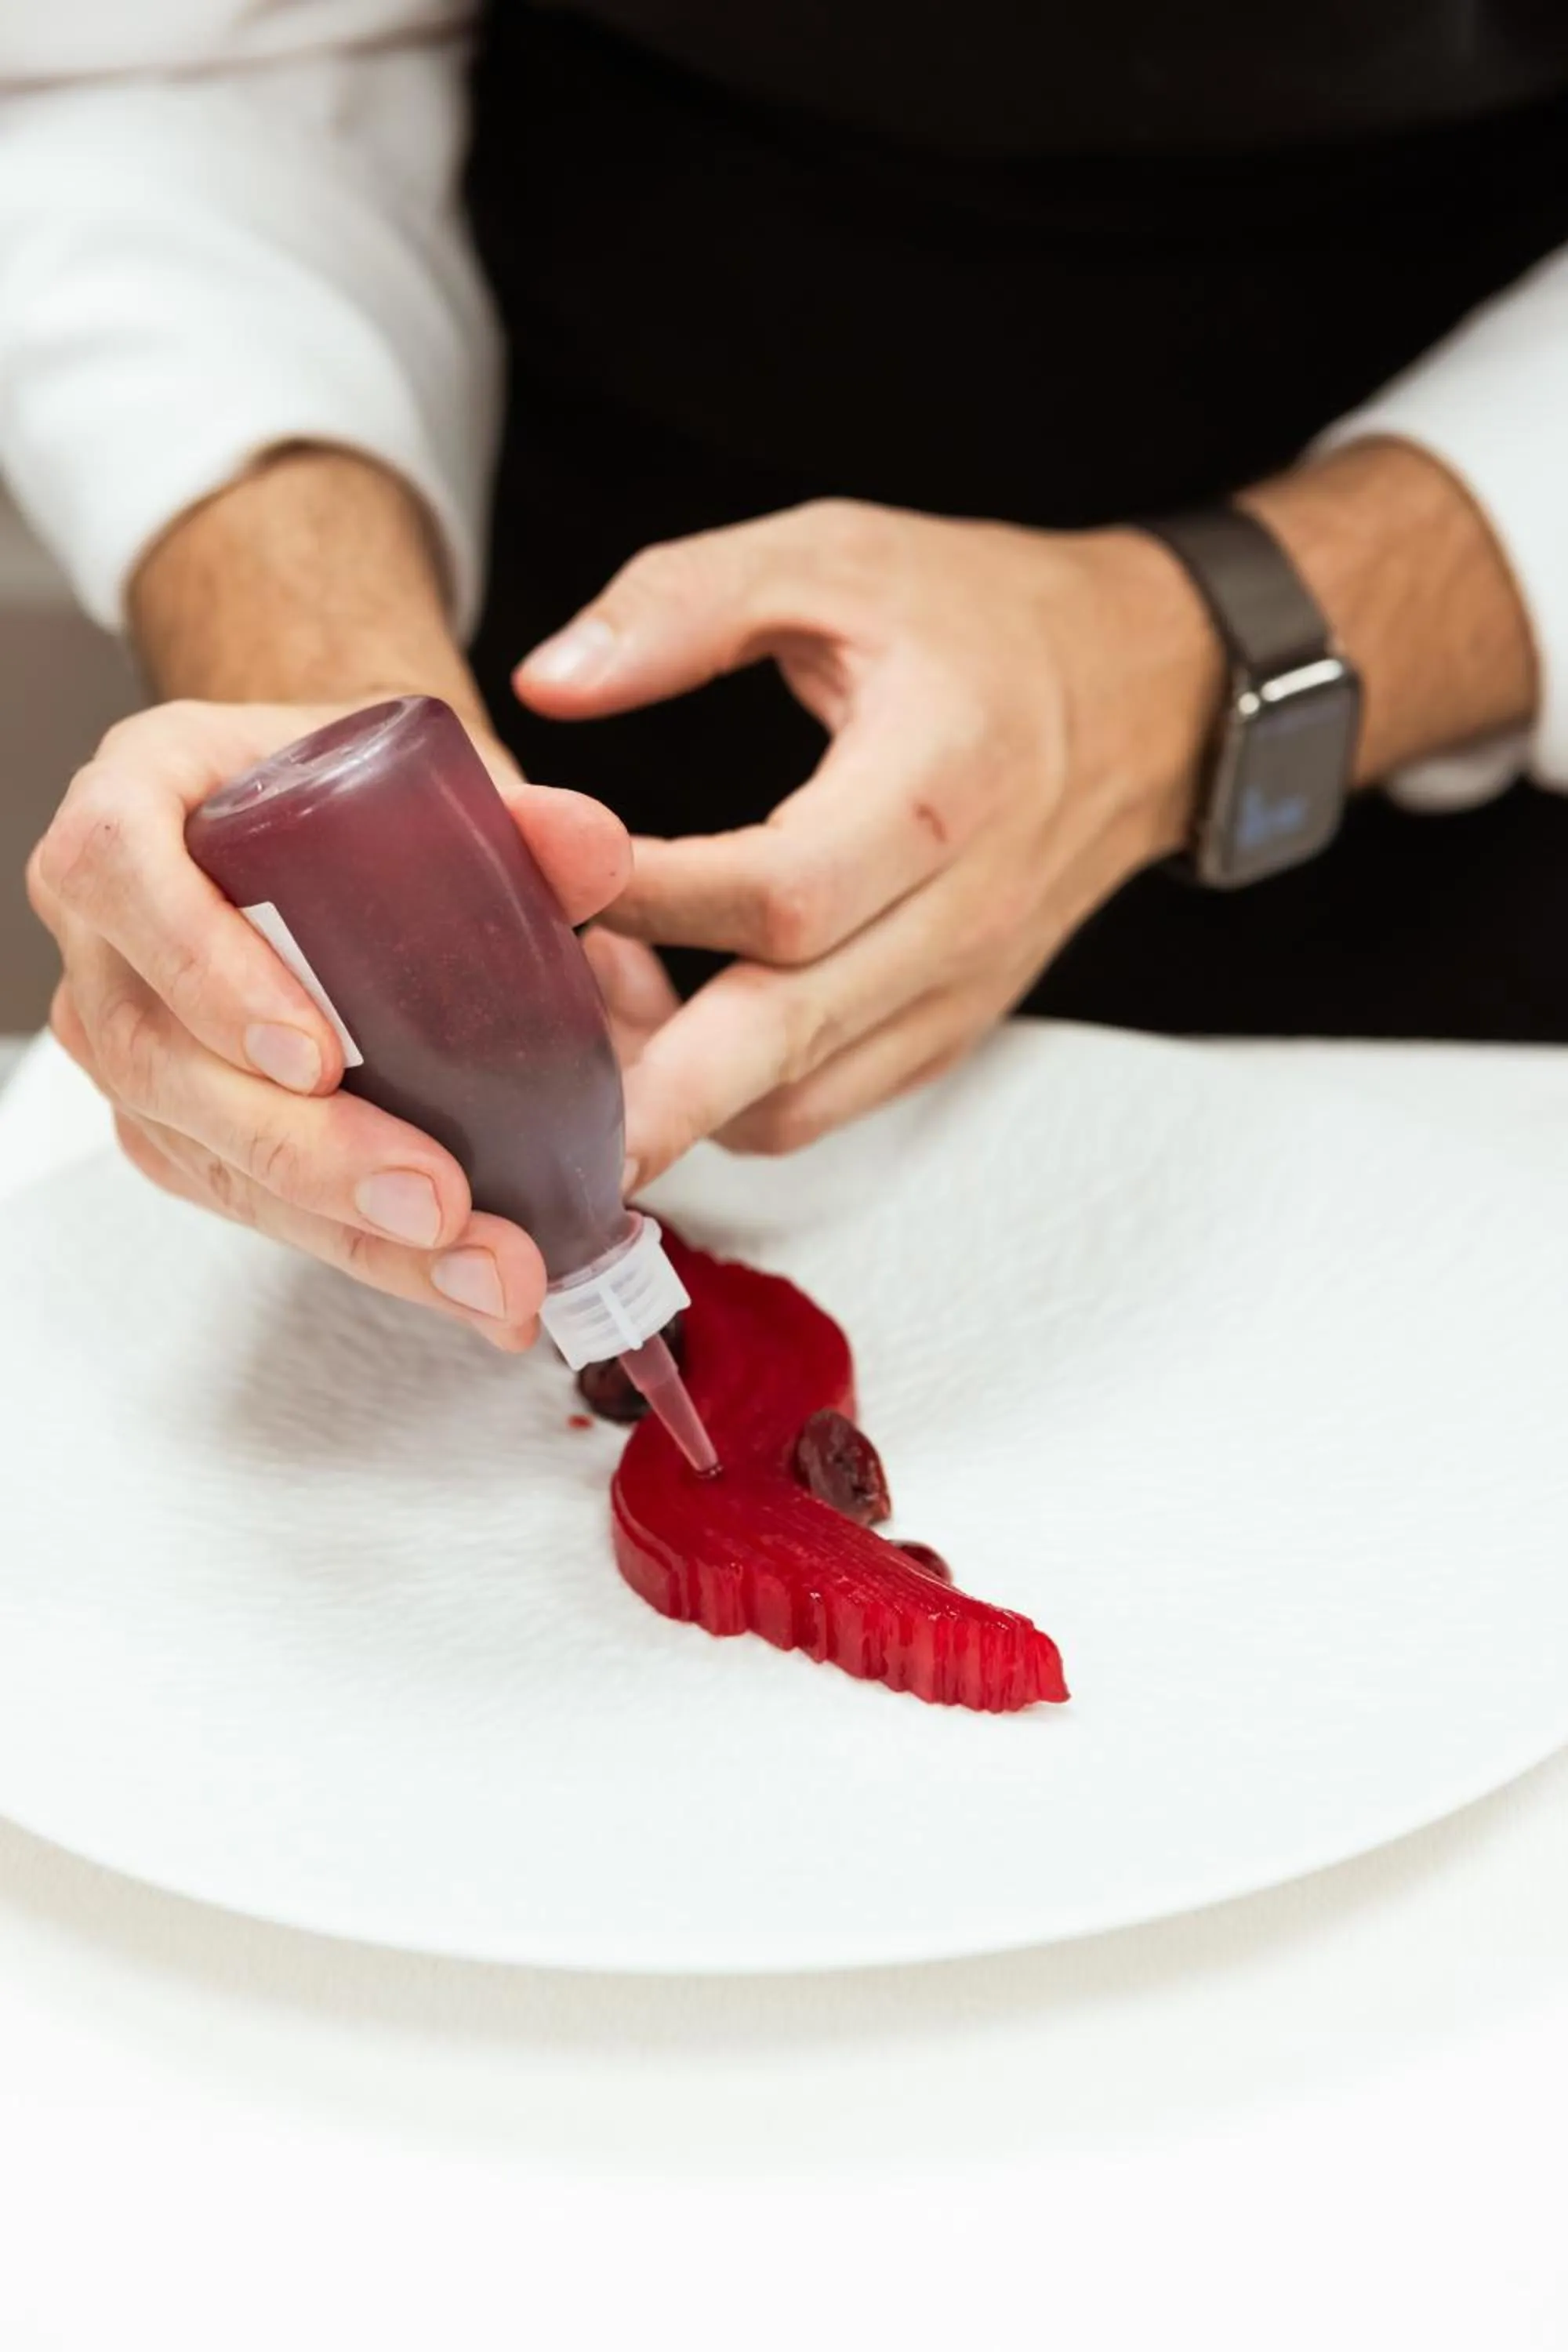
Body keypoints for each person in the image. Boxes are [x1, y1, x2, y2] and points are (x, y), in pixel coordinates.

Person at [3, 2, 1565, 1351]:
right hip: (578, 681)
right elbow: (159, 65)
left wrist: (1211, 645)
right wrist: (341, 758)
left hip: (1467, 828)